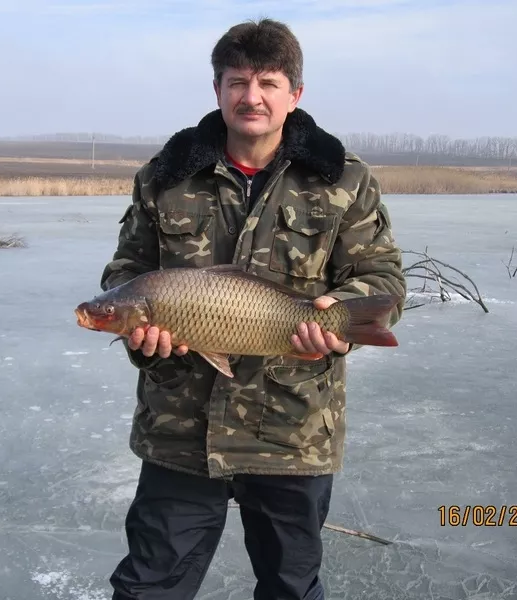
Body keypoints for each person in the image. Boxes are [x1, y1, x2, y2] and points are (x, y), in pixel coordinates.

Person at [99, 17, 406, 600]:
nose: (252, 96)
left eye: (268, 82)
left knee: (291, 587)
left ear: (295, 94)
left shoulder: (343, 179)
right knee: (148, 587)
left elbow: (382, 277)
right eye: (238, 81)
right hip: (180, 431)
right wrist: (140, 331)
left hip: (292, 431)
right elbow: (124, 273)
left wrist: (338, 318)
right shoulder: (164, 178)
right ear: (217, 90)